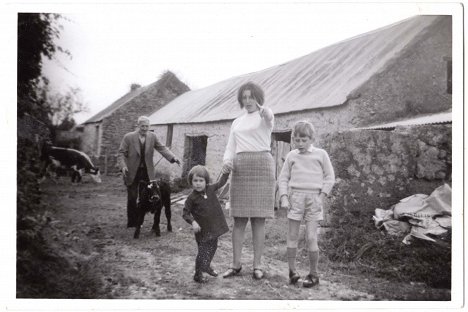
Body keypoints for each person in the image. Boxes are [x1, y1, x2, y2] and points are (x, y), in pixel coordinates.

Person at [221, 82, 275, 280]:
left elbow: (269, 117)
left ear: (258, 98)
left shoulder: (265, 116)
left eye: (251, 97)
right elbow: (230, 146)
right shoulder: (237, 122)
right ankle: (235, 265)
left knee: (259, 220)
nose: (248, 101)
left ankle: (257, 266)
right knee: (239, 219)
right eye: (244, 97)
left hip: (262, 165)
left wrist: (265, 110)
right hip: (241, 166)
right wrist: (227, 161)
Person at [278, 121, 335, 287]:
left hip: (314, 198)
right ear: (293, 139)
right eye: (297, 140)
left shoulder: (321, 154)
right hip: (295, 197)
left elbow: (330, 177)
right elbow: (283, 178)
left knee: (311, 237)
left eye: (304, 140)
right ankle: (292, 271)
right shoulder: (291, 156)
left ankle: (313, 274)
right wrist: (283, 196)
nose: (300, 144)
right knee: (292, 236)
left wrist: (322, 195)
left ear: (312, 139)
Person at [118, 116, 180, 228]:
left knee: (146, 196)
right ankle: (132, 223)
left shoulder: (152, 137)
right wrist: (123, 166)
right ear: (138, 126)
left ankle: (140, 221)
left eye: (147, 126)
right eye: (142, 126)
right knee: (132, 197)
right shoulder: (128, 137)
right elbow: (121, 153)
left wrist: (173, 158)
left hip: (147, 172)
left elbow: (162, 148)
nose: (145, 128)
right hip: (131, 171)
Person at [183, 165, 231, 283]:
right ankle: (198, 274)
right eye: (195, 181)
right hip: (202, 230)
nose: (198, 184)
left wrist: (225, 173)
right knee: (203, 251)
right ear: (191, 182)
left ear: (206, 181)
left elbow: (221, 183)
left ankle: (207, 266)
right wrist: (193, 222)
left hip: (213, 228)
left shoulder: (210, 189)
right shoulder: (191, 198)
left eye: (201, 181)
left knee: (213, 247)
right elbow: (185, 213)